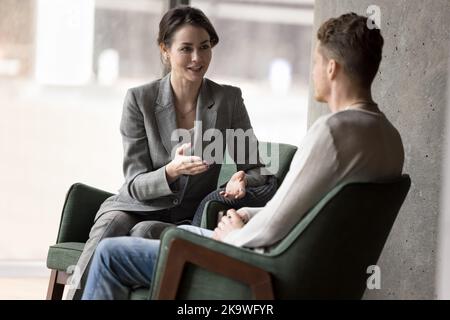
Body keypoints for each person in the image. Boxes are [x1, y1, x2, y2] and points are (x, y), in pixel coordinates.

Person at [81, 12, 405, 300]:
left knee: (112, 254)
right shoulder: (390, 138)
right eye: (186, 48)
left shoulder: (331, 133)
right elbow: (302, 212)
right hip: (308, 269)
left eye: (316, 62)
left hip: (259, 267)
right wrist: (246, 215)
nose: (313, 71)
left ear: (331, 68)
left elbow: (280, 217)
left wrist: (237, 233)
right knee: (127, 229)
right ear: (165, 51)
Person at [67, 6, 277, 299]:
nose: (197, 58)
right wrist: (171, 171)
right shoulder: (140, 100)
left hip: (188, 216)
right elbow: (134, 182)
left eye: (204, 48)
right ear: (165, 50)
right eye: (186, 49)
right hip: (136, 204)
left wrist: (243, 180)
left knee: (142, 234)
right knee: (112, 224)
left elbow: (258, 170)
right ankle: (74, 296)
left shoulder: (228, 100)